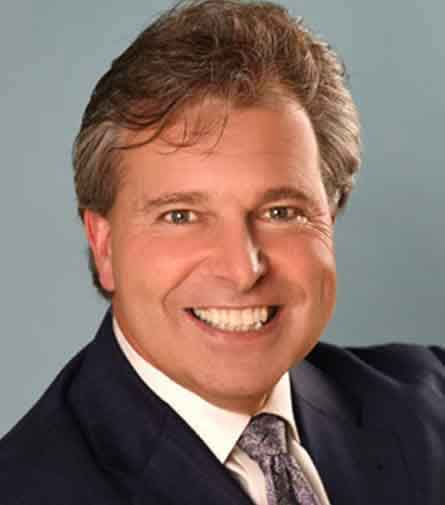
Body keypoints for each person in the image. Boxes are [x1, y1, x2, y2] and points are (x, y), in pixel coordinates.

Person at [1, 1, 444, 504]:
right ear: (104, 247)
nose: (242, 270)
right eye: (181, 216)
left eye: (281, 211)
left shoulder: (430, 406)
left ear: (331, 216)